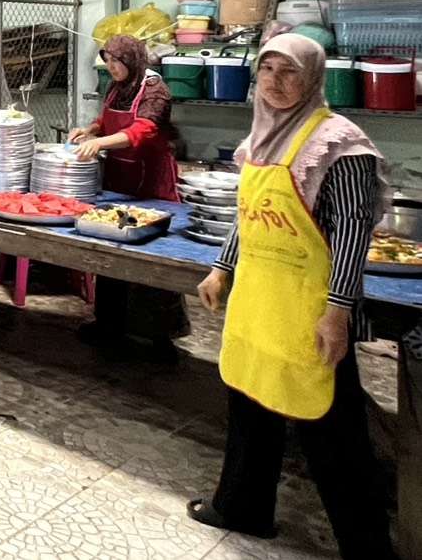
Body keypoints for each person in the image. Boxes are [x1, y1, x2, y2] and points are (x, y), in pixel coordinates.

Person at [187, 34, 397, 560]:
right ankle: (242, 507)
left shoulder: (339, 144)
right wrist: (221, 268)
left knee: (332, 431)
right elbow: (249, 215)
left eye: (290, 72)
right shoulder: (261, 137)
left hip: (310, 308)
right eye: (267, 70)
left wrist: (337, 311)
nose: (275, 82)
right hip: (258, 298)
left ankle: (368, 549)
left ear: (313, 79)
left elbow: (351, 233)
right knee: (250, 402)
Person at [68, 35, 188, 357]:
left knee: (153, 260)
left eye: (117, 61)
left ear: (132, 59)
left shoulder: (155, 90)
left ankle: (159, 339)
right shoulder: (117, 87)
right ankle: (108, 325)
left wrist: (100, 144)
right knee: (112, 252)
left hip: (151, 184)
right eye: (107, 61)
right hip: (121, 179)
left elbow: (142, 130)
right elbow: (106, 119)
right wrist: (92, 130)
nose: (112, 67)